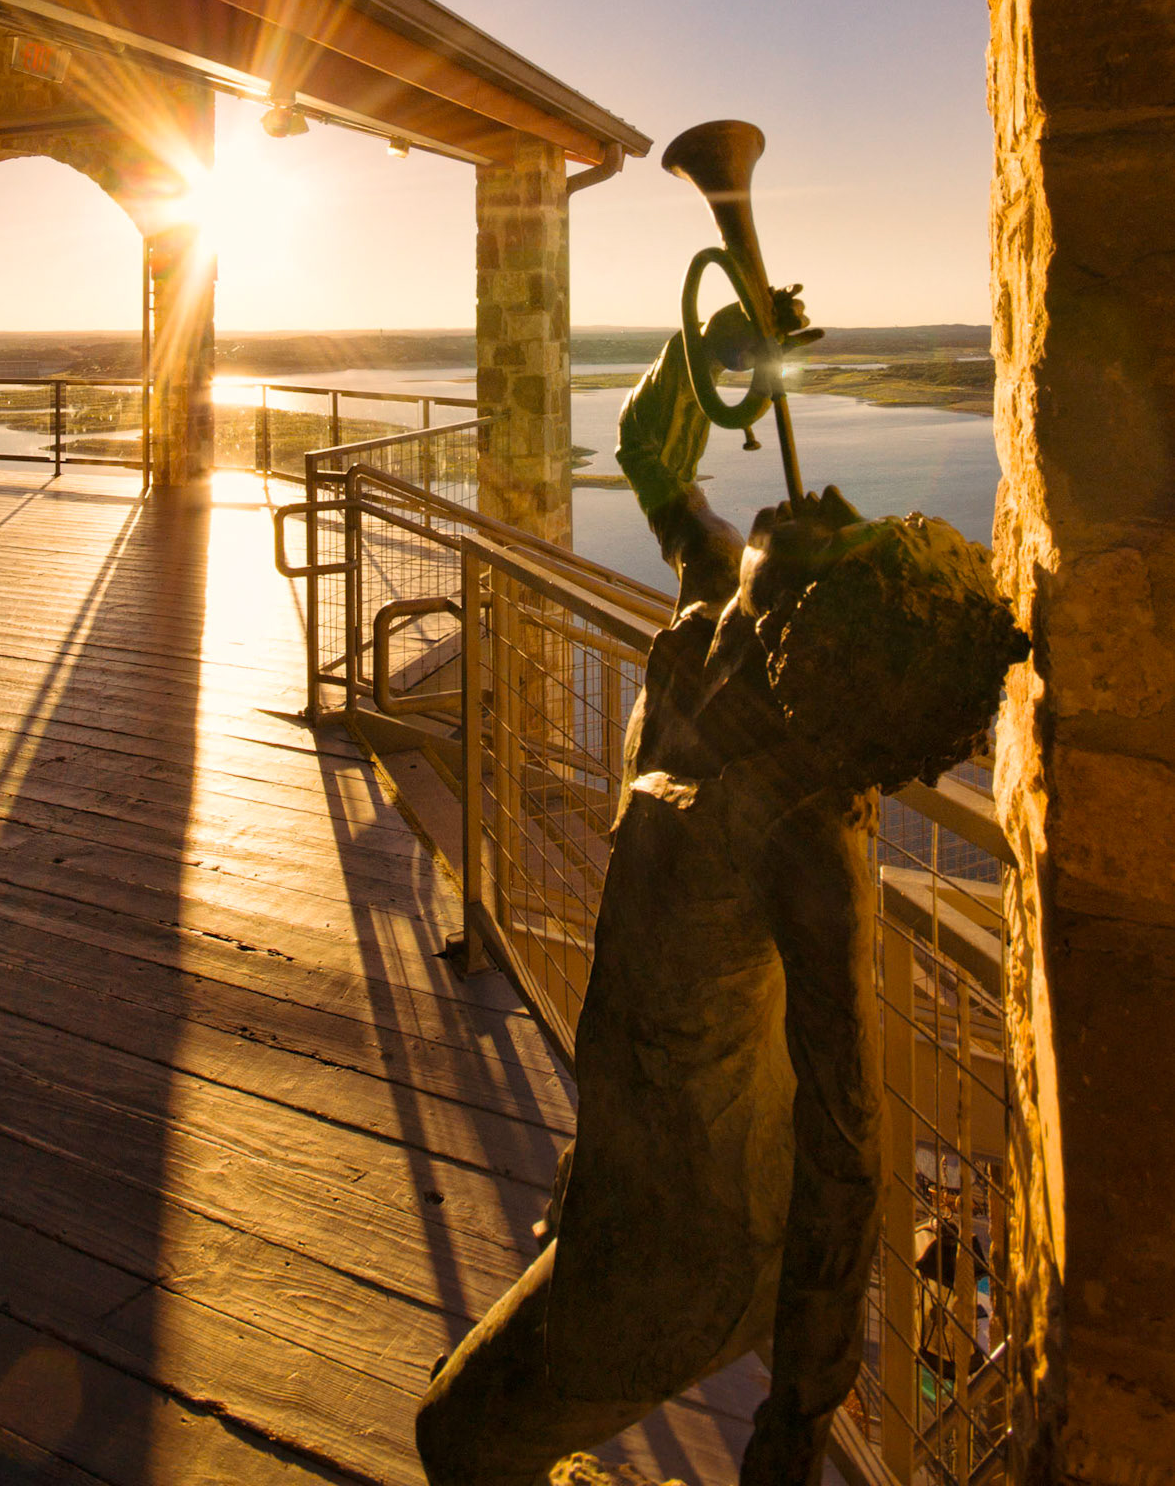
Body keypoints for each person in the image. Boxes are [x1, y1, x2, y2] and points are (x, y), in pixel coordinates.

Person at [416, 296, 1026, 1486]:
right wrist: (714, 348)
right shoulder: (718, 609)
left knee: (460, 1437)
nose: (827, 497)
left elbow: (850, 1146)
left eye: (850, 533)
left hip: (695, 1243)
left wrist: (796, 1417)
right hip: (623, 1172)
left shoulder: (805, 833)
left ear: (834, 637)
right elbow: (651, 447)